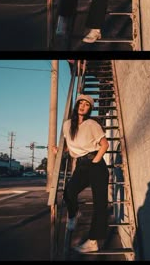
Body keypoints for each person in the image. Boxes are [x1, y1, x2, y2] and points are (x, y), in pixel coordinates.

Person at [53, 94, 109, 253]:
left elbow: (105, 145)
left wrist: (96, 161)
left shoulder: (92, 124)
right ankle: (74, 213)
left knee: (100, 203)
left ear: (90, 109)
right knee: (69, 191)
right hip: (81, 165)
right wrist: (60, 151)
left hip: (95, 164)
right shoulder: (67, 125)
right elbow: (71, 147)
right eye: (81, 103)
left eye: (87, 104)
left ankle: (93, 241)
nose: (83, 106)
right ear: (76, 105)